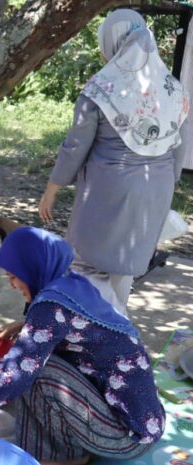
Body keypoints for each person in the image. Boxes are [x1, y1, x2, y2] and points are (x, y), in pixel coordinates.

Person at [0, 227, 165, 465]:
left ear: (32, 269)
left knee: (35, 370)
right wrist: (27, 324)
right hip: (142, 421)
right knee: (32, 356)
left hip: (126, 437)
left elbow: (11, 376)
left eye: (13, 276)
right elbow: (72, 326)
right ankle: (68, 450)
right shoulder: (71, 285)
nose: (11, 285)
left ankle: (67, 457)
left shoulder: (51, 307)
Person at [38, 9, 189, 314]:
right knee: (123, 274)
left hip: (108, 191)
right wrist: (166, 186)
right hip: (155, 190)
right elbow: (179, 147)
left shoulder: (100, 89)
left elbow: (75, 146)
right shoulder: (173, 89)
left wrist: (52, 189)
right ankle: (113, 333)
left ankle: (78, 333)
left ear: (112, 41)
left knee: (83, 270)